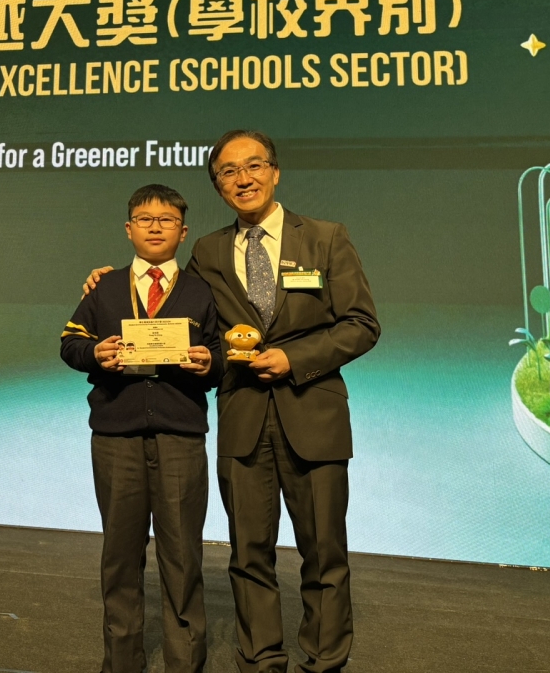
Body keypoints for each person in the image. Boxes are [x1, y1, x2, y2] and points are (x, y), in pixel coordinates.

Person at [83, 131, 380, 673]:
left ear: (275, 172)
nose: (243, 179)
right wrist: (112, 279)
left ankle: (324, 662)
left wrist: (294, 359)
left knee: (325, 554)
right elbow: (174, 302)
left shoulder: (325, 238)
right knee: (248, 553)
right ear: (218, 186)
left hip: (314, 416)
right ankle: (261, 660)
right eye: (228, 172)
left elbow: (361, 324)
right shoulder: (208, 251)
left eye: (253, 166)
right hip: (242, 417)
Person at [61, 184, 222, 673]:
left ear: (183, 231)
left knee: (183, 557)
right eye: (145, 219)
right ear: (128, 229)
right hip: (116, 437)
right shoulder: (105, 287)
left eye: (166, 220)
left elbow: (222, 356)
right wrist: (96, 353)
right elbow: (70, 344)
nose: (155, 227)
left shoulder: (201, 291)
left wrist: (209, 364)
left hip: (180, 436)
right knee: (120, 557)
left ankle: (184, 663)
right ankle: (122, 662)